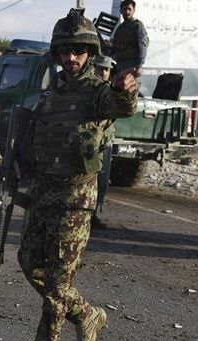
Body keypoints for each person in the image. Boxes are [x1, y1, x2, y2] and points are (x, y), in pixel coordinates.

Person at [17, 9, 137, 341]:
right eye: (65, 51)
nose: (71, 58)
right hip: (42, 193)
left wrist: (124, 90)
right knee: (27, 262)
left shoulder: (96, 91)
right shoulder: (52, 91)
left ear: (89, 52)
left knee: (56, 289)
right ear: (57, 53)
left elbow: (120, 106)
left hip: (75, 198)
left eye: (79, 51)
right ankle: (87, 313)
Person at [91, 55, 117, 229]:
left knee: (102, 181)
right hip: (90, 145)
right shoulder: (89, 88)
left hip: (105, 144)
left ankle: (95, 214)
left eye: (106, 70)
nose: (103, 73)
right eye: (100, 68)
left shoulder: (111, 90)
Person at [109, 0, 149, 82]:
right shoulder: (120, 28)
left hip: (131, 66)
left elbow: (142, 47)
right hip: (119, 65)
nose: (127, 12)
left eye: (129, 9)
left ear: (133, 11)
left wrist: (139, 66)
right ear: (121, 11)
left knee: (128, 90)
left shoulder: (138, 26)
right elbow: (115, 47)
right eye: (124, 9)